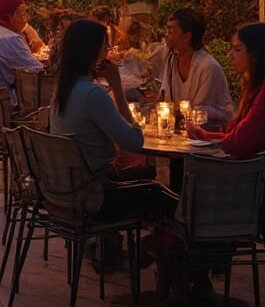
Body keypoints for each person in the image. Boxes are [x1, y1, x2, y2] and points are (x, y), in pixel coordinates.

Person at [50, 18, 174, 219]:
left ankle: (108, 245)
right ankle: (161, 247)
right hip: (96, 195)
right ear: (94, 52)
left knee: (145, 173)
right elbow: (134, 142)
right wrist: (117, 88)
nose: (108, 51)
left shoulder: (62, 91)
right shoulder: (92, 94)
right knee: (160, 189)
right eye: (105, 46)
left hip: (66, 190)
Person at [188, 22, 265, 209]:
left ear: (257, 54)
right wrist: (204, 134)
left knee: (193, 174)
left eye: (237, 49)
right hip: (262, 175)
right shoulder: (256, 85)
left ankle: (185, 232)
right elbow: (234, 132)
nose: (230, 56)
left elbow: (238, 143)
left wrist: (208, 137)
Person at [159, 8, 233, 124]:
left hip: (209, 133)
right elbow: (167, 102)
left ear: (186, 37)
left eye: (171, 32)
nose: (166, 36)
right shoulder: (171, 60)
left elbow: (199, 111)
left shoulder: (207, 67)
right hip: (184, 129)